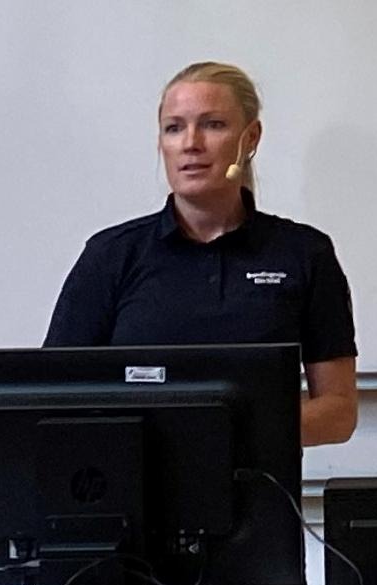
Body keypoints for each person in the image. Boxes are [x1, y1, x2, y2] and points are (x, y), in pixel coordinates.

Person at [45, 62, 360, 446]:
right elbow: (49, 399)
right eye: (174, 128)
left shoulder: (304, 253)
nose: (191, 143)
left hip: (256, 495)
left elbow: (339, 412)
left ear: (251, 138)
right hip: (132, 496)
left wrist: (224, 430)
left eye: (213, 124)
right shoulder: (111, 255)